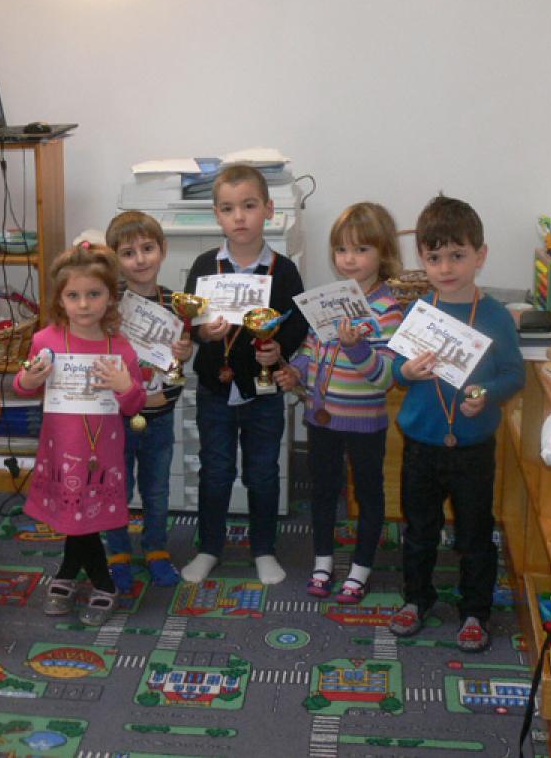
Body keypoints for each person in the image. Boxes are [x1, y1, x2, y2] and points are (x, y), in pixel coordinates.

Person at [386, 195, 523, 653]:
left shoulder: (495, 316)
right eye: (434, 257)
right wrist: (406, 372)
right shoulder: (418, 313)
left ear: (480, 256)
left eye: (457, 256)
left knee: (475, 534)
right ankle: (416, 599)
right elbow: (396, 370)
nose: (445, 268)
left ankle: (475, 611)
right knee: (419, 530)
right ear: (421, 259)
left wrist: (486, 395)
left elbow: (514, 375)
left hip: (473, 448)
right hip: (421, 444)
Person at [182, 163, 308, 586]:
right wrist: (204, 333)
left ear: (269, 210)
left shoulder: (283, 270)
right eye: (228, 208)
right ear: (217, 215)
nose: (239, 217)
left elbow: (296, 323)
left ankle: (264, 549)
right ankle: (209, 548)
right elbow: (191, 321)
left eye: (249, 206)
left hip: (263, 392)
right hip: (215, 390)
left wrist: (279, 349)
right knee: (215, 471)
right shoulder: (205, 265)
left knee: (263, 473)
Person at [274, 203, 404, 603]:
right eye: (342, 249)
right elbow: (311, 349)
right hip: (322, 418)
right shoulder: (328, 300)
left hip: (364, 422)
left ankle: (361, 568)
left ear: (383, 253)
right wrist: (295, 371)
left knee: (368, 494)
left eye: (361, 249)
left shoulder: (388, 310)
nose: (349, 259)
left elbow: (385, 377)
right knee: (323, 492)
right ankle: (323, 562)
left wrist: (356, 347)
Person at [14, 242, 147, 626]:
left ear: (111, 297)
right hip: (60, 449)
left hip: (101, 453)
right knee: (74, 514)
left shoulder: (120, 348)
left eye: (94, 294)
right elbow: (23, 386)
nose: (84, 304)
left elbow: (135, 405)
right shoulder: (45, 340)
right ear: (60, 299)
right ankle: (99, 580)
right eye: (73, 296)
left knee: (83, 516)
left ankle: (74, 574)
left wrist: (125, 385)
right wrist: (28, 379)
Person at [103, 210, 193, 591]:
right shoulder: (109, 305)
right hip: (117, 417)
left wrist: (185, 351)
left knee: (157, 491)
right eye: (128, 253)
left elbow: (181, 356)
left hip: (159, 414)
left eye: (147, 249)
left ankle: (156, 549)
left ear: (163, 250)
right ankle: (117, 552)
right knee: (118, 490)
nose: (140, 260)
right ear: (115, 259)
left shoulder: (178, 304)